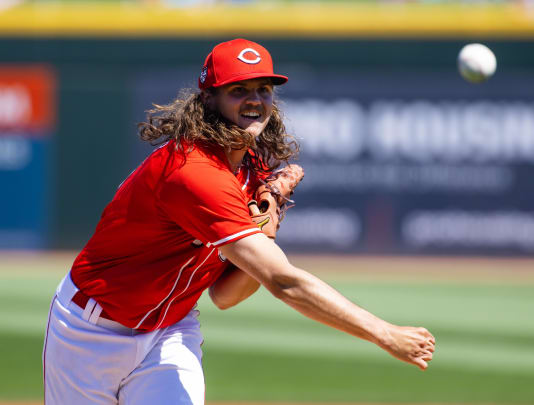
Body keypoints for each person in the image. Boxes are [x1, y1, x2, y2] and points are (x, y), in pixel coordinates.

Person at [43, 38, 435, 405]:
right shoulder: (193, 172)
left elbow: (226, 295)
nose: (255, 100)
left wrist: (270, 219)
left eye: (264, 89)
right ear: (208, 99)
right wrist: (383, 333)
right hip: (90, 334)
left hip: (169, 333)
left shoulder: (248, 168)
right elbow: (283, 282)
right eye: (239, 90)